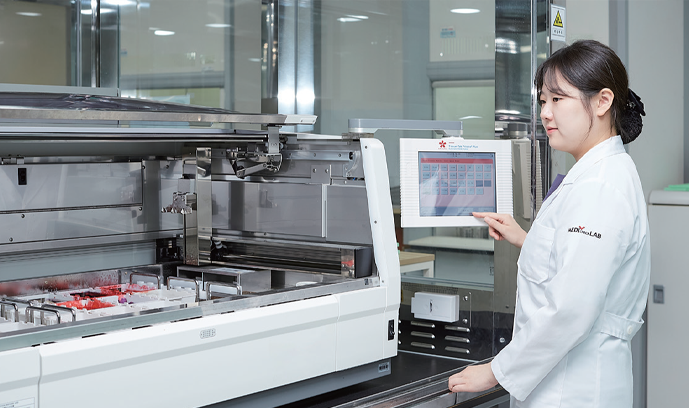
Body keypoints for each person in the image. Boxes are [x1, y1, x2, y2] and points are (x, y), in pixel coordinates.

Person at [448, 39, 650, 407]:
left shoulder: (600, 186)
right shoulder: (597, 173)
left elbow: (572, 306)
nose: (545, 113)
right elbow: (580, 264)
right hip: (566, 377)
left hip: (574, 387)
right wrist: (527, 239)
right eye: (543, 101)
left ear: (602, 102)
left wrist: (495, 371)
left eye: (558, 99)